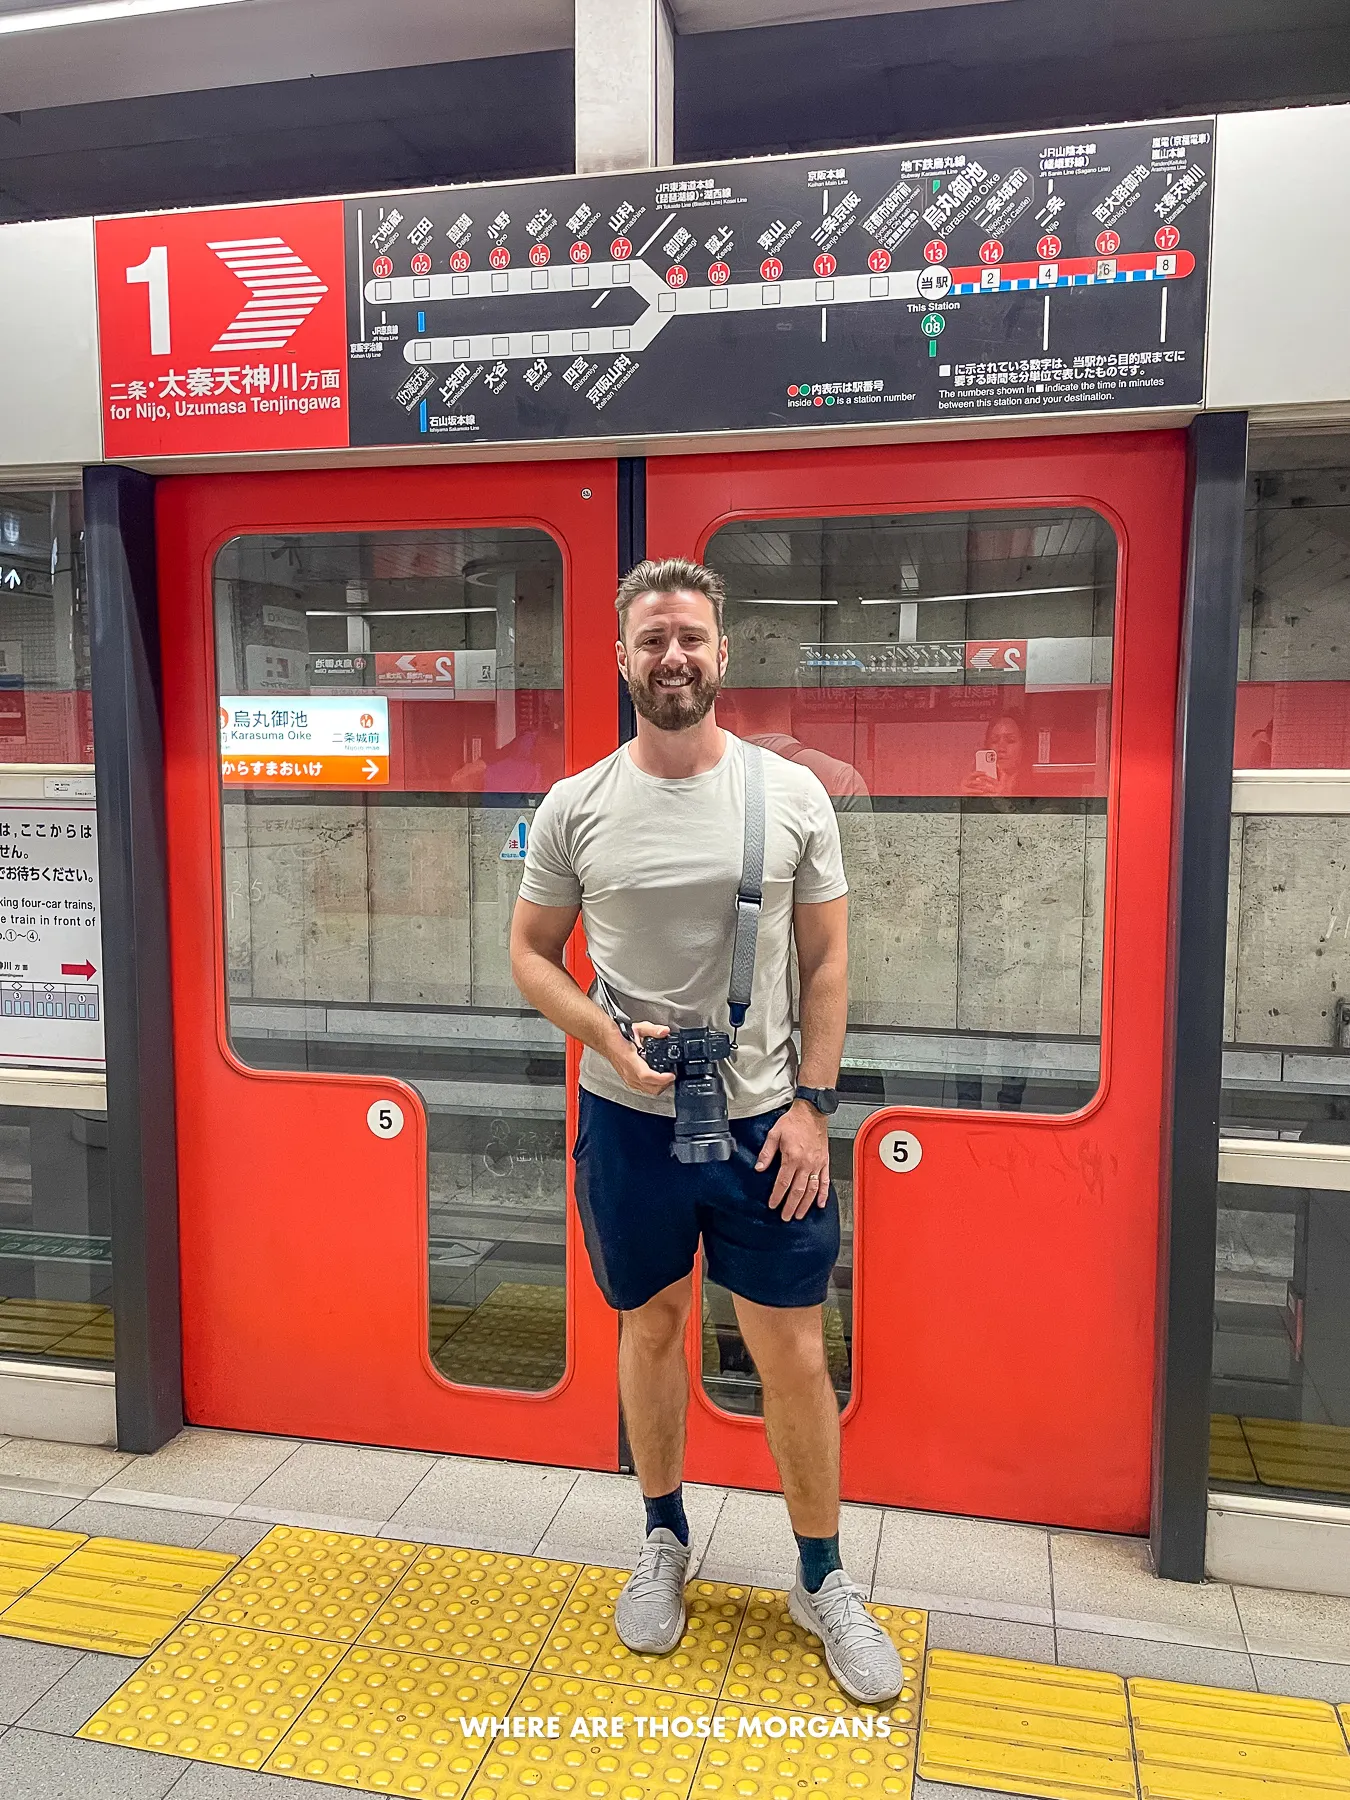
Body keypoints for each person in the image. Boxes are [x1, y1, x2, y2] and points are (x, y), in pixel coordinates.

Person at [509, 557, 903, 1705]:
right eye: (651, 640)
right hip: (628, 1121)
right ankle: (665, 1538)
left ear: (722, 655)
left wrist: (815, 1109)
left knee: (793, 1352)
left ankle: (822, 1577)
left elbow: (826, 961)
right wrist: (603, 1035)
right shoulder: (575, 805)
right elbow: (531, 954)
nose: (672, 656)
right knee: (652, 1326)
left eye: (690, 636)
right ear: (620, 659)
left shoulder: (791, 795)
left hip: (768, 1125)